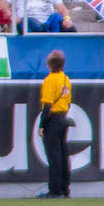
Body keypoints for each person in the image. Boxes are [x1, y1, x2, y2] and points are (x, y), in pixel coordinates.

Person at [35, 48, 71, 198]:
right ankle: (64, 188)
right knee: (63, 155)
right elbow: (68, 101)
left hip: (53, 119)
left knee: (54, 156)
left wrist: (42, 125)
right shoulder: (65, 78)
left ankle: (54, 190)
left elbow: (48, 105)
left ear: (49, 64)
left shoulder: (50, 80)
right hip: (63, 117)